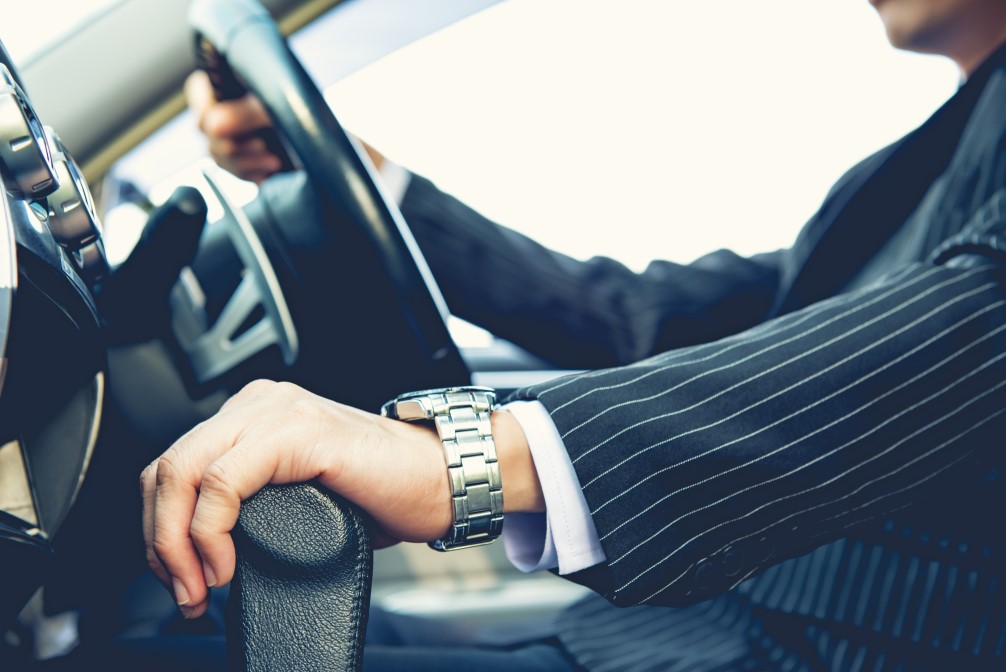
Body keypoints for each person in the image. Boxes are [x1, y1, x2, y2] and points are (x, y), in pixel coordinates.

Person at [144, 0, 1006, 669]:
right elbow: (636, 319)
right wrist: (365, 182)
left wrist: (459, 459)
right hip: (685, 636)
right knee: (197, 626)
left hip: (834, 651)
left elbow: (970, 332)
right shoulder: (919, 162)